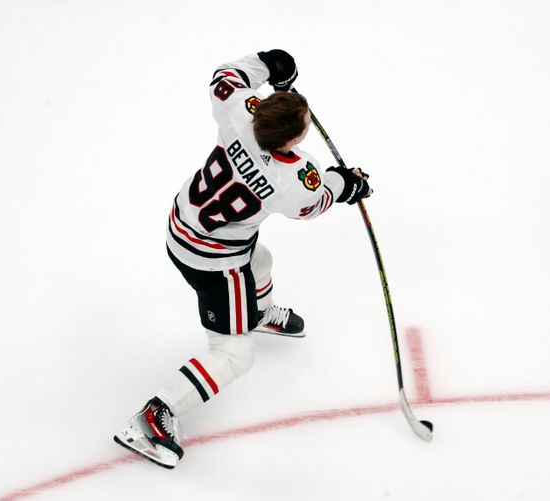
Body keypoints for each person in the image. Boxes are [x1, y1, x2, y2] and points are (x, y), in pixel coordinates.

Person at [113, 49, 371, 469]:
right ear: (290, 141)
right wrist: (348, 184)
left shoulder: (238, 108)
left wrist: (270, 64)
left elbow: (226, 74)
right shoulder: (293, 177)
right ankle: (153, 417)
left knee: (261, 260)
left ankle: (258, 312)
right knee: (234, 354)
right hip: (214, 260)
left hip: (183, 223)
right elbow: (316, 199)